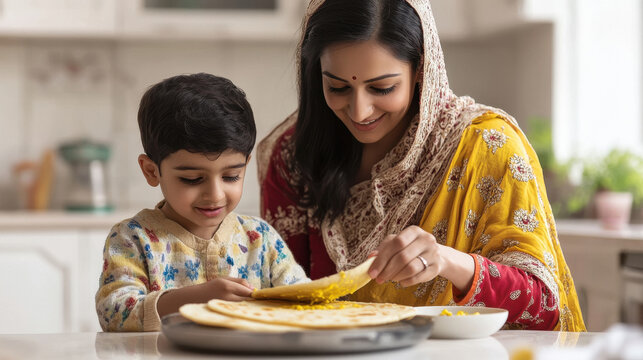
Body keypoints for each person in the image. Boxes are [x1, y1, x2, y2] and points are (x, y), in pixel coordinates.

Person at [258, 0, 585, 331]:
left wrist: (447, 261)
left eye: (382, 87)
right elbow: (283, 297)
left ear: (421, 69)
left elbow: (542, 307)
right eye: (338, 87)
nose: (359, 111)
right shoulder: (294, 155)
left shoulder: (487, 147)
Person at [96, 73, 308, 332]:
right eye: (192, 179)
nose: (215, 194)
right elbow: (113, 313)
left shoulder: (261, 239)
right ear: (152, 171)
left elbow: (303, 303)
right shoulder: (133, 239)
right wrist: (193, 299)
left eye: (231, 176)